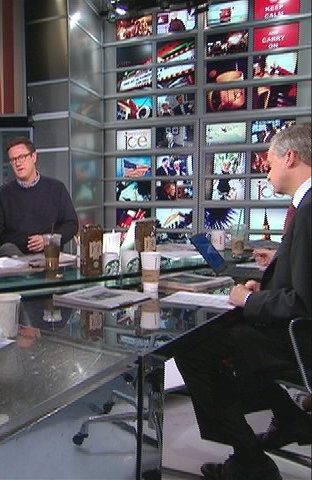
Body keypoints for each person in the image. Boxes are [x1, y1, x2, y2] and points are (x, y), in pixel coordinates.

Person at [174, 123, 311, 480]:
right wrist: (263, 289)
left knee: (192, 348)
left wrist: (249, 300)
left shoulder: (309, 209)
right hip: (293, 332)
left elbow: (304, 303)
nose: (266, 172)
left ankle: (250, 461)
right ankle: (291, 418)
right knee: (224, 340)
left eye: (269, 163)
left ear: (290, 158)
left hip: (298, 342)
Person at [0, 137, 78, 256]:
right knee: (7, 249)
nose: (18, 163)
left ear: (34, 157)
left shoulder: (56, 189)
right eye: (13, 160)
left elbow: (71, 224)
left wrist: (47, 240)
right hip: (13, 258)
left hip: (47, 256)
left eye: (22, 157)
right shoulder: (2, 194)